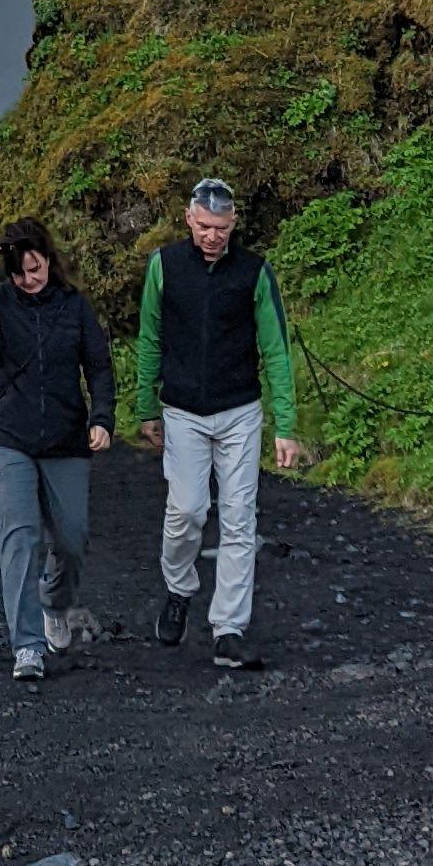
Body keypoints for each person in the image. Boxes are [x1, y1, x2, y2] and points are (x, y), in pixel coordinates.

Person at [120, 173, 306, 672]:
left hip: (240, 412)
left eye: (221, 228)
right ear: (188, 218)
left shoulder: (254, 273)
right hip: (182, 412)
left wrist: (285, 424)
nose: (212, 236)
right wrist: (145, 407)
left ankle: (229, 629)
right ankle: (179, 587)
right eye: (204, 226)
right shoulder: (164, 266)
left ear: (234, 223)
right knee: (186, 513)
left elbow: (276, 349)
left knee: (240, 519)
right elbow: (150, 337)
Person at [0, 220, 113, 684]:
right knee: (20, 537)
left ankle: (53, 604)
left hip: (65, 439)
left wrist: (102, 418)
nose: (28, 280)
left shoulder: (74, 307)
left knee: (73, 538)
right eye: (19, 274)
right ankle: (27, 648)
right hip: (7, 438)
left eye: (35, 270)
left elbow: (98, 366)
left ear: (49, 263)